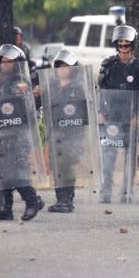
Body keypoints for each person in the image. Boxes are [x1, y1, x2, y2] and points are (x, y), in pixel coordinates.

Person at [0, 44, 44, 221]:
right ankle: (5, 208)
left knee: (16, 171)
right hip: (0, 134)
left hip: (18, 134)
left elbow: (27, 108)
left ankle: (32, 201)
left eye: (9, 62)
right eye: (3, 62)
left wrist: (33, 95)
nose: (4, 65)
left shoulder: (20, 82)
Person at [97, 24, 139, 203]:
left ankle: (127, 190)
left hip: (131, 117)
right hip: (111, 117)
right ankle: (106, 189)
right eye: (120, 44)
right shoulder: (108, 65)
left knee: (130, 156)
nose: (123, 48)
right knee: (108, 155)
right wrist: (101, 111)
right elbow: (100, 90)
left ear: (133, 45)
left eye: (126, 44)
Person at [41, 49, 94, 212]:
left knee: (66, 164)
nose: (63, 69)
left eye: (66, 66)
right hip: (55, 134)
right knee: (57, 166)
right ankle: (60, 199)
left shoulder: (79, 87)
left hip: (73, 134)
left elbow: (87, 110)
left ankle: (67, 200)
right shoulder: (50, 87)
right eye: (59, 66)